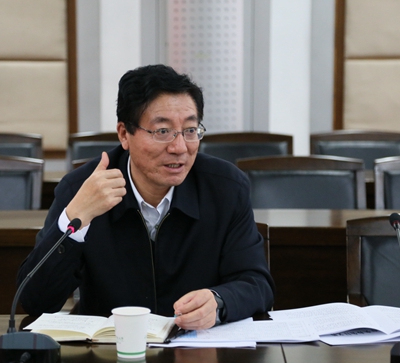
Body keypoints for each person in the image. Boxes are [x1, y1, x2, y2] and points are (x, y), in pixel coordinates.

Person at [18, 64, 275, 330]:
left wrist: (219, 301)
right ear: (124, 134)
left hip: (198, 348)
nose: (179, 147)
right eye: (162, 131)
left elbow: (257, 284)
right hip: (110, 350)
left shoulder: (225, 188)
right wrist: (75, 220)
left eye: (190, 130)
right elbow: (35, 301)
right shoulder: (81, 189)